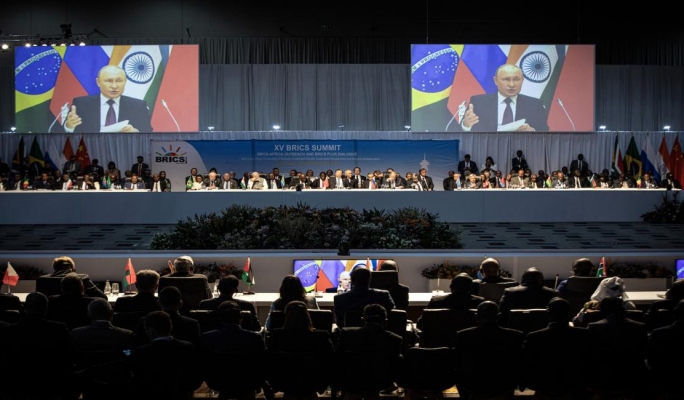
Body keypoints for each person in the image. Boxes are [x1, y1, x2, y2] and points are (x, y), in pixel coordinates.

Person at [64, 65, 153, 133]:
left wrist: (135, 132)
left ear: (125, 82)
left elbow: (147, 132)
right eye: (109, 81)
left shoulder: (138, 106)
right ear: (98, 82)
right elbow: (62, 132)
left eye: (119, 81)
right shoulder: (81, 104)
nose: (114, 86)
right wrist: (69, 126)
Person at [461, 63, 549, 132]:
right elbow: (460, 131)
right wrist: (466, 125)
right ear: (496, 81)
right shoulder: (478, 102)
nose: (512, 84)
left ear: (522, 80)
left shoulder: (535, 104)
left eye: (516, 79)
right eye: (506, 79)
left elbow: (544, 131)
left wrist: (532, 131)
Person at [41, 256, 107, 299]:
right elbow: (102, 297)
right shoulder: (82, 278)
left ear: (54, 269)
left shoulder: (43, 280)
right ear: (72, 269)